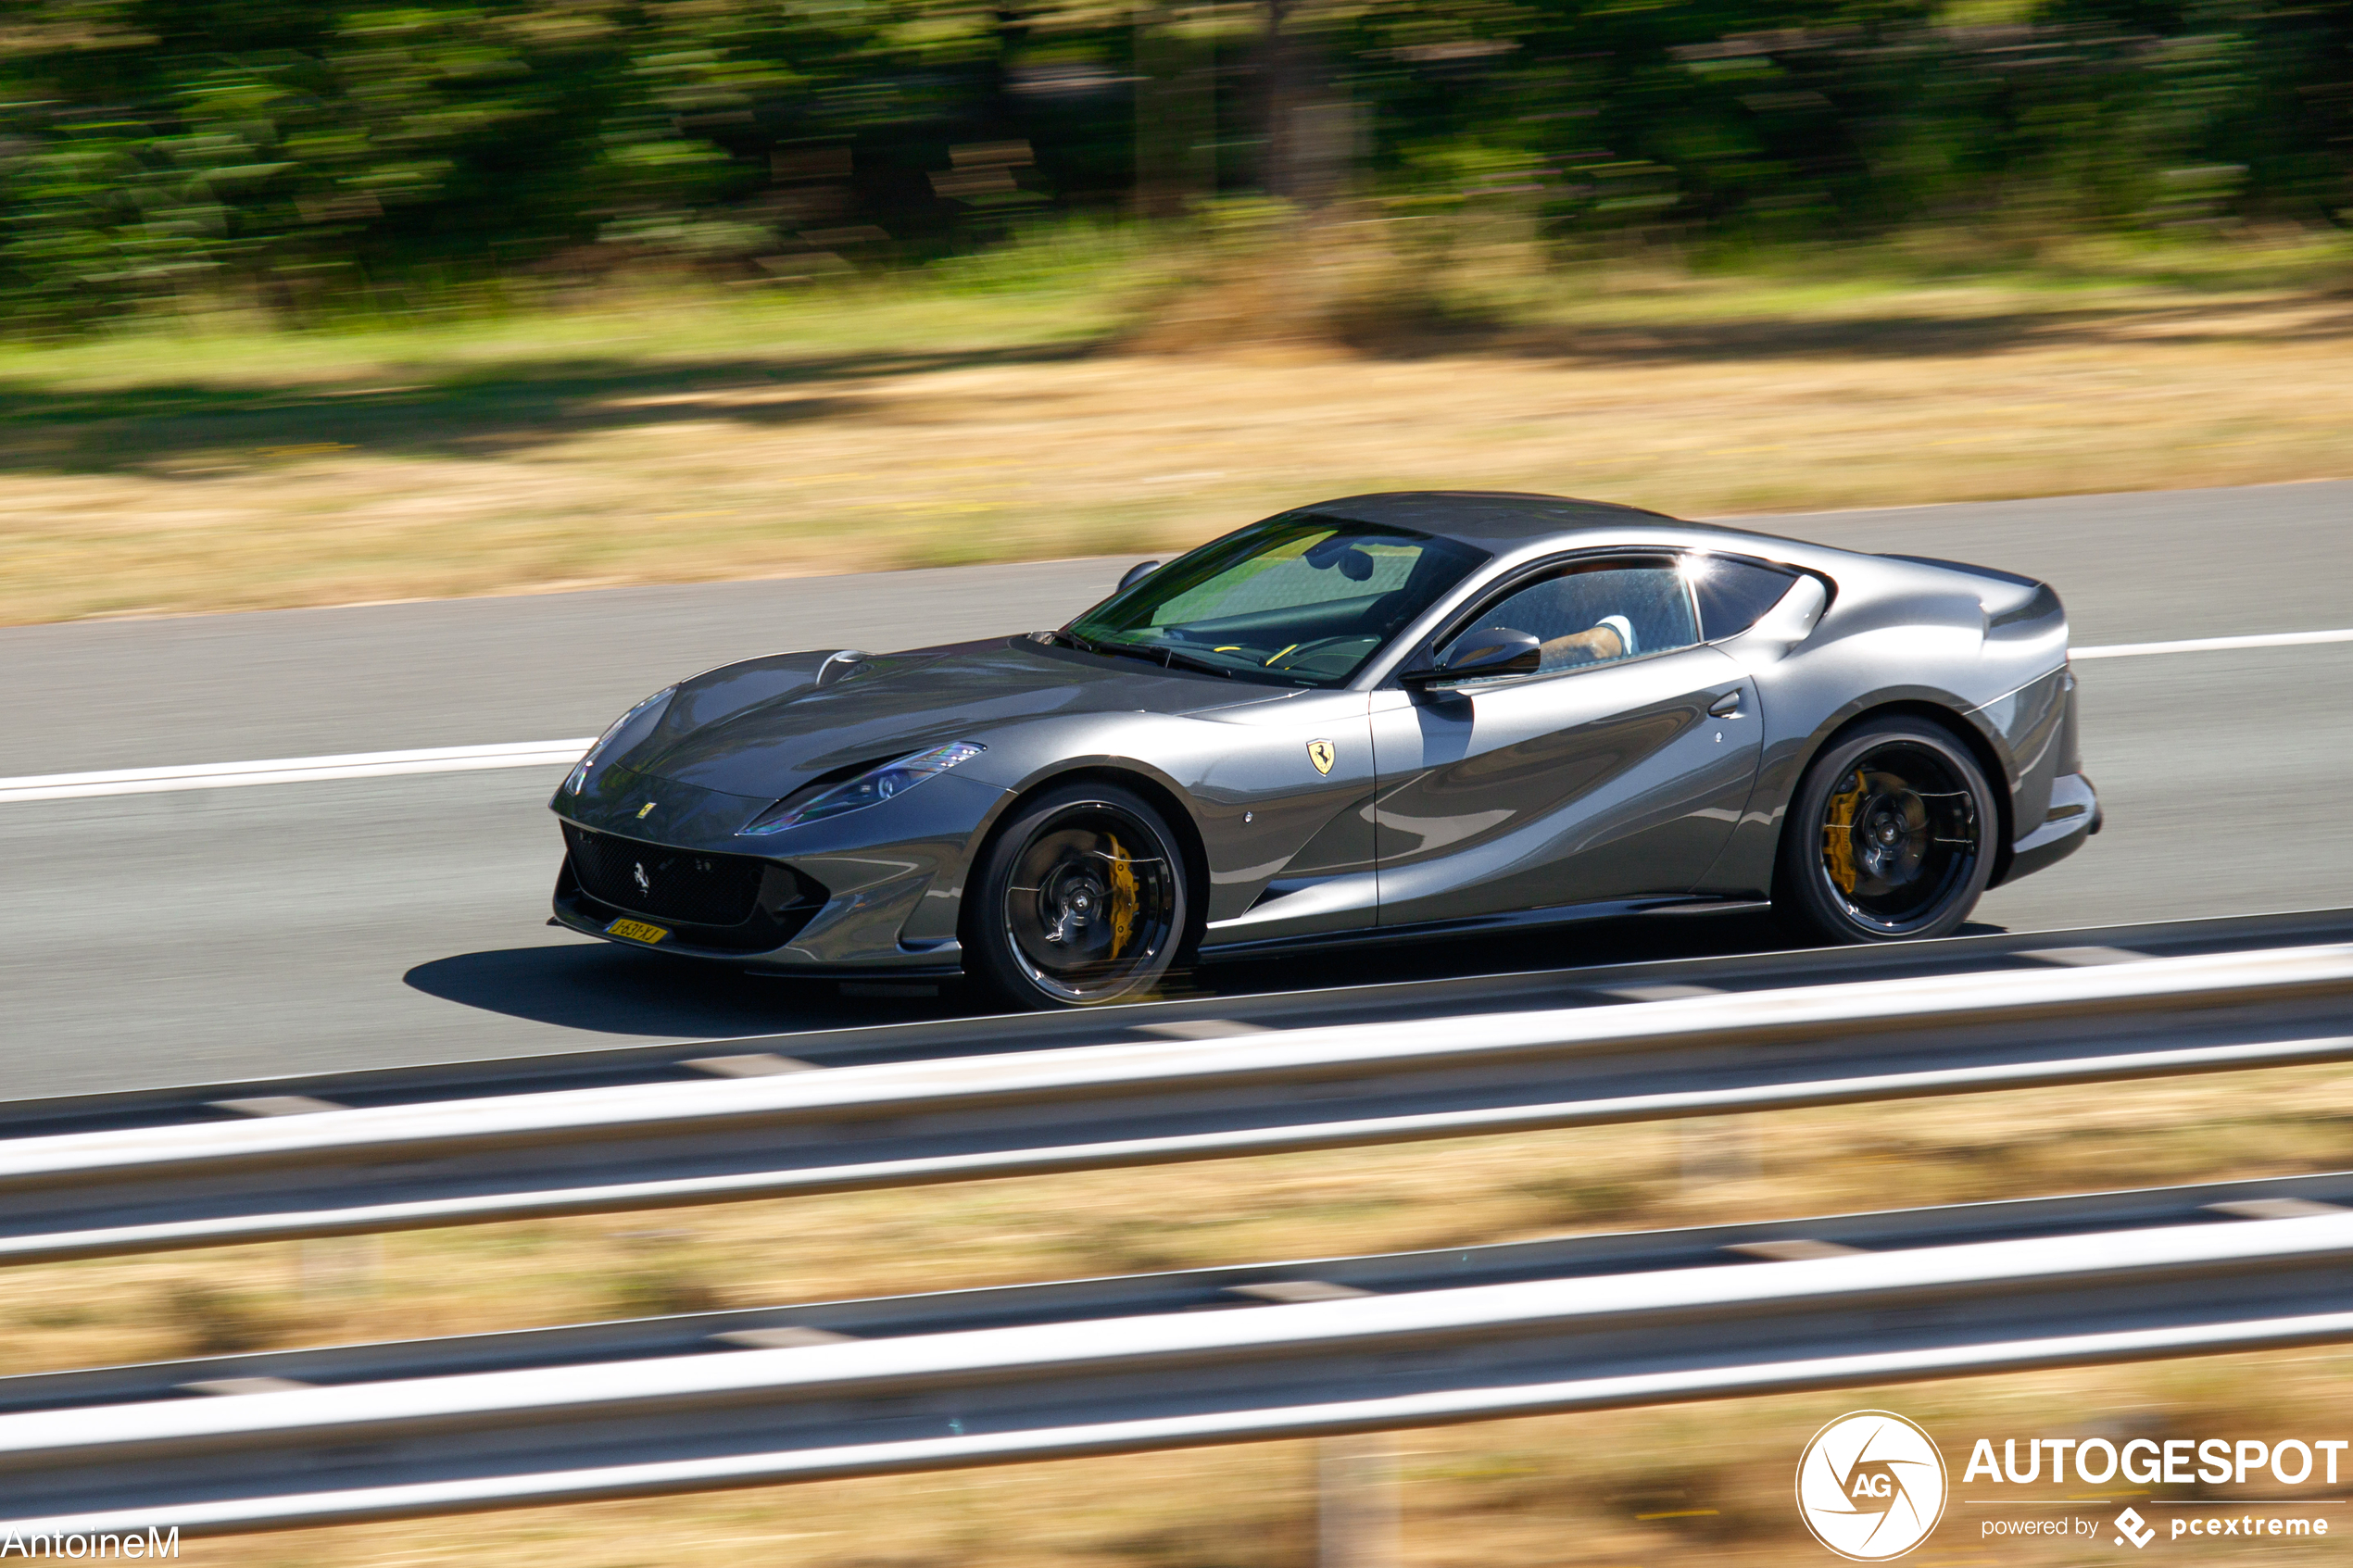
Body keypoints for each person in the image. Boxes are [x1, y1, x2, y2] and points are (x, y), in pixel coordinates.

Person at [1540, 612, 1635, 669]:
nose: (1563, 583)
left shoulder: (1619, 620)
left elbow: (1593, 648)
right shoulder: (1549, 621)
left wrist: (1529, 659)